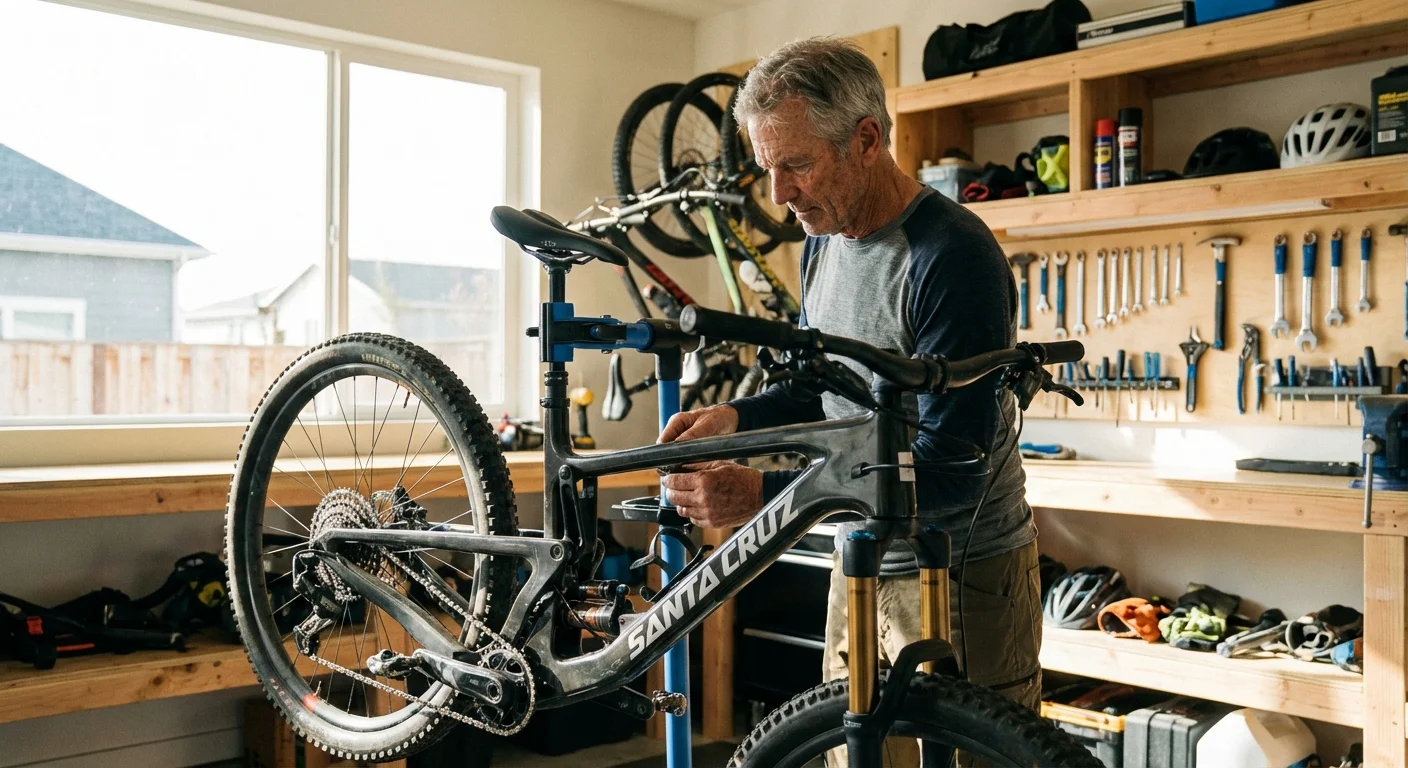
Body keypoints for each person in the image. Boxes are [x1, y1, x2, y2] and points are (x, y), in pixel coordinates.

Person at [657, 36, 1043, 727]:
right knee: (852, 751)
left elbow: (950, 472)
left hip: (956, 572)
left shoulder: (951, 255)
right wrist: (734, 420)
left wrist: (763, 496)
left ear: (867, 139)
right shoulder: (822, 242)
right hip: (862, 554)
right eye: (768, 169)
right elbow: (822, 386)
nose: (780, 197)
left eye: (797, 165)